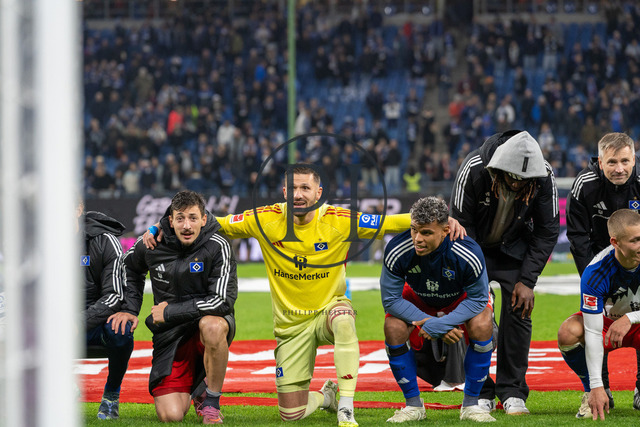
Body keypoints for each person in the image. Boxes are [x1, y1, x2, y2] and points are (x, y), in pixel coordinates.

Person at [144, 165, 466, 426]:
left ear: (318, 193)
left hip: (328, 311)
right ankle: (327, 397)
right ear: (285, 193)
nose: (299, 194)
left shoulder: (339, 220)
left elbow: (389, 222)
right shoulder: (264, 219)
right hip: (291, 327)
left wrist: (440, 221)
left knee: (344, 320)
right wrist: (161, 225)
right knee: (292, 415)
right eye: (293, 189)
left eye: (305, 188)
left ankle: (346, 408)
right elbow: (213, 223)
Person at [450, 130, 560, 415]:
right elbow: (460, 226)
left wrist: (528, 280)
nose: (517, 183)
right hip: (475, 247)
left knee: (520, 309)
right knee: (475, 311)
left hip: (516, 250)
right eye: (511, 177)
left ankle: (513, 391)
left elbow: (548, 231)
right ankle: (480, 390)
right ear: (497, 168)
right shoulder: (473, 168)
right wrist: (476, 281)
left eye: (524, 180)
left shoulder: (544, 175)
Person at [110, 190, 238, 424]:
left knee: (212, 326)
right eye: (180, 218)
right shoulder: (152, 242)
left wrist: (169, 312)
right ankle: (198, 387)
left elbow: (222, 301)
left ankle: (211, 402)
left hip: (205, 327)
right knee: (171, 416)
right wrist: (129, 308)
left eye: (193, 218)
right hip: (169, 334)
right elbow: (128, 267)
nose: (187, 225)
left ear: (204, 219)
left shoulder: (218, 245)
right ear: (170, 221)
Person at [380, 197, 495, 423]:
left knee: (482, 323)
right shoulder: (397, 249)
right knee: (392, 326)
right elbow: (391, 300)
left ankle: (471, 405)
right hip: (419, 299)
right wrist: (433, 324)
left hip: (459, 300)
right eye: (414, 230)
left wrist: (441, 323)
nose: (417, 239)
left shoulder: (468, 251)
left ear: (445, 230)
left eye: (426, 233)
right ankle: (413, 405)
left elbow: (479, 299)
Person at [566, 132, 640, 409]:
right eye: (612, 162)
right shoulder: (584, 185)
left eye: (625, 161)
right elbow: (577, 236)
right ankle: (600, 388)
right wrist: (595, 278)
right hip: (602, 264)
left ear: (634, 160)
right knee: (589, 327)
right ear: (600, 162)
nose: (619, 168)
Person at [558, 209, 640, 420]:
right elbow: (593, 332)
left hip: (635, 324)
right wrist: (595, 385)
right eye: (635, 241)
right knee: (569, 332)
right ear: (615, 242)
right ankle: (593, 392)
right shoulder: (596, 271)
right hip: (607, 326)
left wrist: (630, 318)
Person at [79, 202, 133, 420]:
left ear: (78, 209)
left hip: (95, 322)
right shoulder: (40, 242)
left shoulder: (105, 240)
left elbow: (114, 295)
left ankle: (111, 395)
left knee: (121, 329)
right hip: (55, 324)